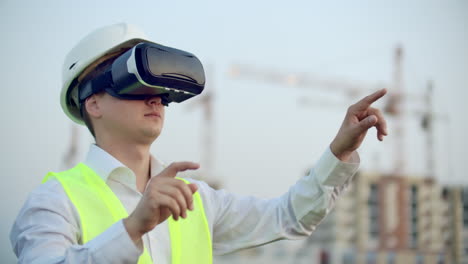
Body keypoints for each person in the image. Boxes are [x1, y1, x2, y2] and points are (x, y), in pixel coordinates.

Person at [10, 23, 388, 264]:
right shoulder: (53, 202)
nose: (154, 97)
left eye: (158, 85)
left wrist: (339, 152)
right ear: (92, 101)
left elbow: (287, 217)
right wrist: (132, 229)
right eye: (135, 81)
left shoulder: (195, 200)